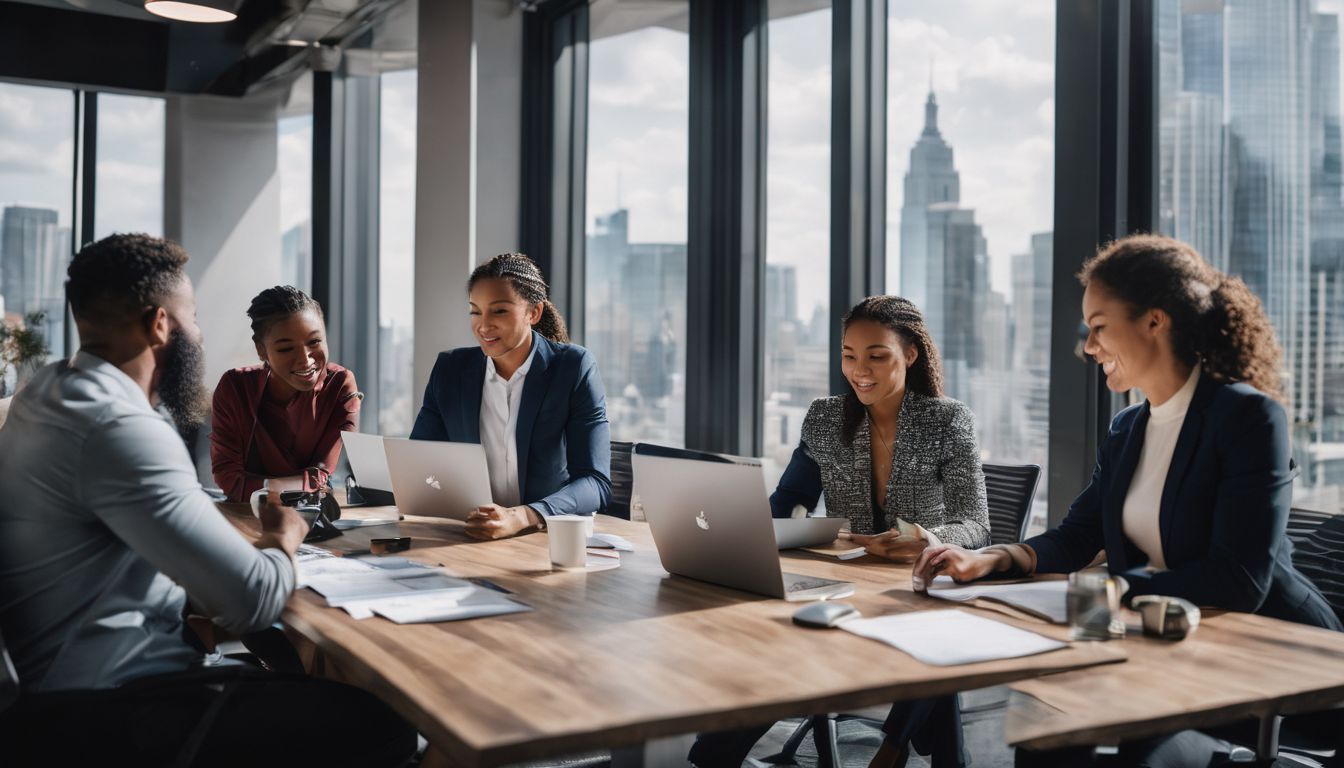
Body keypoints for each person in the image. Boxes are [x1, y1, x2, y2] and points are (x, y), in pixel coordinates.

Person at [910, 234, 1343, 766]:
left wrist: (1111, 586)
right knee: (1045, 736)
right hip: (1165, 648)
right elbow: (1078, 535)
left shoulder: (1246, 417)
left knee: (1106, 745)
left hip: (1277, 665)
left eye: (1098, 328)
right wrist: (995, 558)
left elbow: (1239, 580)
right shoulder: (1128, 427)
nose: (1088, 348)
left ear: (1154, 322)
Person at [0, 234, 416, 766]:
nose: (199, 332)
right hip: (106, 706)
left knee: (298, 683)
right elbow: (254, 601)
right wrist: (280, 537)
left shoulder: (47, 393)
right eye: (192, 316)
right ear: (159, 325)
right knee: (384, 727)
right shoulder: (121, 427)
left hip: (50, 681)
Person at [690, 295, 990, 768]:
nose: (859, 370)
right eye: (849, 355)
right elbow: (786, 502)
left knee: (933, 624)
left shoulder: (947, 421)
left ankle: (891, 749)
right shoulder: (827, 418)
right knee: (769, 628)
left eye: (877, 355)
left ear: (910, 355)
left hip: (916, 583)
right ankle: (714, 754)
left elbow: (975, 523)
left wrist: (927, 538)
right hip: (844, 585)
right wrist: (763, 524)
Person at [411, 252, 611, 539]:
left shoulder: (573, 367)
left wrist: (523, 515)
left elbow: (596, 482)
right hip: (472, 534)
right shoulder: (451, 370)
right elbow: (419, 460)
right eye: (475, 311)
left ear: (534, 313)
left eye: (499, 311)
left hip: (545, 536)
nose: (483, 325)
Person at [210, 286, 360, 502]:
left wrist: (264, 486)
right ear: (261, 350)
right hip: (245, 515)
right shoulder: (235, 387)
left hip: (310, 515)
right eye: (286, 349)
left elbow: (321, 475)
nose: (305, 359)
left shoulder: (340, 385)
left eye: (314, 342)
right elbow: (229, 480)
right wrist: (298, 484)